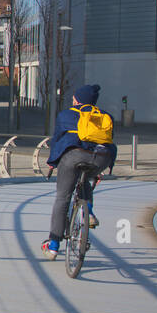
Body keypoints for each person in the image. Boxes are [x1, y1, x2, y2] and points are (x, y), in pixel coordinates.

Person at [41, 83, 117, 259]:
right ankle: (88, 211)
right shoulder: (106, 116)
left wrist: (53, 161)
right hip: (102, 157)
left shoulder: (67, 114)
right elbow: (109, 140)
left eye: (74, 97)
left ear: (78, 99)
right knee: (86, 178)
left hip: (74, 156)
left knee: (63, 197)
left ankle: (53, 245)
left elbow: (58, 139)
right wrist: (100, 167)